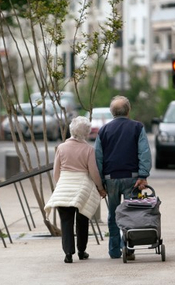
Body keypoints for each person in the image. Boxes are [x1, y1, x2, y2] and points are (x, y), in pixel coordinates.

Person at [95, 95, 152, 260]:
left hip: (110, 178)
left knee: (113, 214)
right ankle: (128, 246)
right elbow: (144, 153)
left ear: (111, 112)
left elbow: (98, 158)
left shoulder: (103, 130)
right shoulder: (137, 127)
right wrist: (143, 175)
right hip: (132, 178)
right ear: (129, 110)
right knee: (130, 214)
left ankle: (114, 249)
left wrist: (100, 183)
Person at [44, 116, 107, 263]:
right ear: (86, 133)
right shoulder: (88, 150)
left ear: (72, 129)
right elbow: (94, 173)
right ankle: (81, 251)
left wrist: (61, 185)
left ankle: (68, 254)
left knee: (66, 222)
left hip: (64, 188)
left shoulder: (61, 148)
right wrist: (100, 188)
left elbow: (56, 173)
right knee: (82, 219)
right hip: (82, 189)